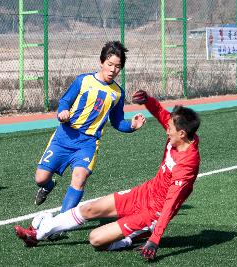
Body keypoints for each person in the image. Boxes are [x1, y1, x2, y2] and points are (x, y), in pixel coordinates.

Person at [15, 90, 201, 261]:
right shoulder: (178, 134)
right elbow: (162, 114)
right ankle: (36, 235)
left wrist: (155, 239)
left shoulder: (187, 164)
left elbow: (171, 203)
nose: (166, 129)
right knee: (89, 208)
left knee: (95, 239)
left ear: (182, 134)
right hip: (143, 193)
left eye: (170, 128)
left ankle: (129, 239)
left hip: (153, 214)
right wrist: (148, 100)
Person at [34, 41, 146, 214]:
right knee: (41, 178)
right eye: (109, 64)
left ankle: (63, 222)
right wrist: (63, 111)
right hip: (65, 136)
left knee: (79, 178)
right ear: (101, 62)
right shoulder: (83, 80)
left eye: (117, 66)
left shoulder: (117, 93)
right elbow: (65, 101)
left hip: (88, 143)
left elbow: (117, 122)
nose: (112, 70)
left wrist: (131, 125)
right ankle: (48, 186)